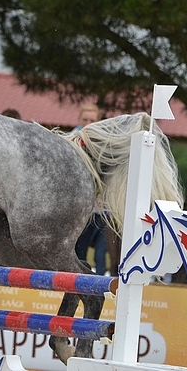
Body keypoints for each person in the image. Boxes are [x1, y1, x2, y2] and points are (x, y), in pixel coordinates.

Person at [73, 104, 111, 275]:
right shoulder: (70, 141)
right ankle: (77, 287)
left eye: (92, 120)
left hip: (103, 210)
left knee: (101, 255)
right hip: (79, 209)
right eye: (85, 119)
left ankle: (99, 291)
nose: (88, 124)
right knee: (79, 252)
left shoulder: (105, 143)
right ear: (79, 120)